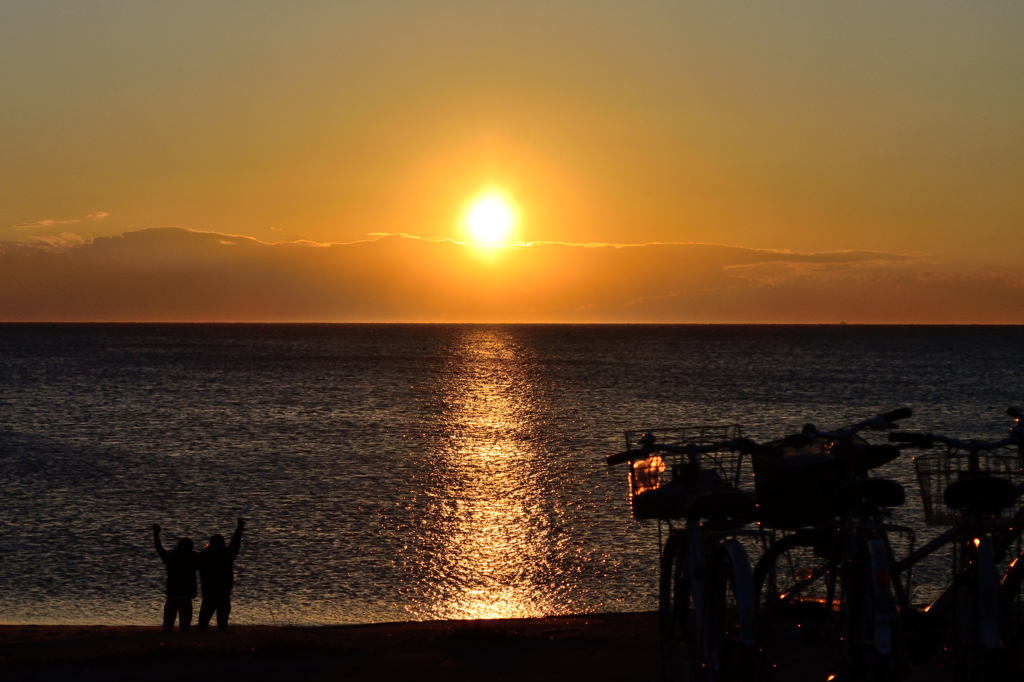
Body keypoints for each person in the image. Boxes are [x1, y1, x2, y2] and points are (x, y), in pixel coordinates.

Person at [197, 518, 245, 632]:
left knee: (203, 624)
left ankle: (202, 633)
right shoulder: (226, 556)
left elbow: (234, 544)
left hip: (209, 595)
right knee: (222, 625)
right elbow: (235, 544)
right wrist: (239, 529)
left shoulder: (204, 557)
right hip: (223, 595)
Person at [153, 524, 199, 633]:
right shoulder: (193, 558)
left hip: (172, 595)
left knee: (168, 625)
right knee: (185, 627)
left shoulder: (171, 557)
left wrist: (156, 534)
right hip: (186, 596)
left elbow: (159, 549)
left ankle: (168, 639)